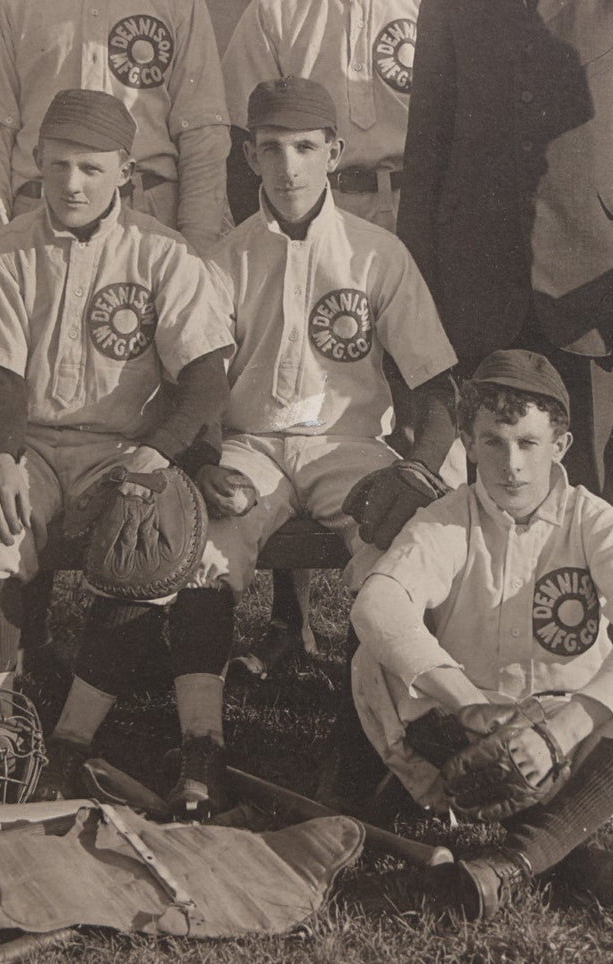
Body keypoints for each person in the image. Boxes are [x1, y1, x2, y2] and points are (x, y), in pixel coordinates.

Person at [130, 77, 457, 821]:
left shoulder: (379, 254)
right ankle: (202, 747)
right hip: (253, 447)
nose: (288, 167)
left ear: (334, 153)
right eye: (270, 149)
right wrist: (206, 461)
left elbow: (437, 392)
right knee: (204, 555)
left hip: (350, 445)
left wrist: (416, 470)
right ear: (248, 155)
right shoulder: (222, 259)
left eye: (305, 148)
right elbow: (200, 383)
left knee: (396, 561)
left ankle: (363, 744)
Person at [349, 349, 613, 919]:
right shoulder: (447, 518)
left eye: (528, 443)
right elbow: (379, 604)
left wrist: (561, 732)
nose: (512, 465)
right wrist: (469, 704)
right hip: (472, 729)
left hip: (575, 730)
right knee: (371, 663)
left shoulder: (590, 518)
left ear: (560, 447)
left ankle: (511, 860)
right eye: (494, 443)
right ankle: (557, 846)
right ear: (469, 446)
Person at [0, 89, 234, 787]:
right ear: (37, 164)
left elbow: (204, 376)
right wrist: (3, 458)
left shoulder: (162, 252)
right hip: (35, 440)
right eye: (58, 165)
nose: (72, 184)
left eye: (91, 169)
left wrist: (159, 452)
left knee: (145, 545)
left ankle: (78, 732)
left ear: (125, 172)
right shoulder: (10, 247)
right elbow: (2, 376)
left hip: (122, 446)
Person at [395, 0, 613, 510]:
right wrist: (416, 295)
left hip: (592, 281)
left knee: (593, 492)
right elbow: (425, 144)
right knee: (487, 492)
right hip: (476, 280)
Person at [218, 0, 425, 686]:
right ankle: (288, 616)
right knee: (284, 377)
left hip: (412, 203)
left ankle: (406, 635)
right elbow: (243, 124)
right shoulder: (277, 12)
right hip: (301, 196)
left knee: (371, 404)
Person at [0, 0, 232, 253]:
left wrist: (197, 249)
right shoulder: (14, 5)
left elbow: (202, 131)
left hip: (148, 217)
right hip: (39, 215)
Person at [221, 0, 420, 232]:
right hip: (313, 210)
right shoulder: (273, 10)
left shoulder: (431, 8)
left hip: (413, 204)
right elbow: (241, 137)